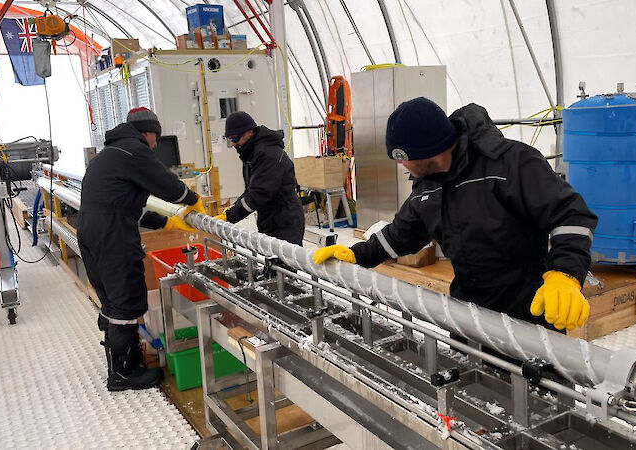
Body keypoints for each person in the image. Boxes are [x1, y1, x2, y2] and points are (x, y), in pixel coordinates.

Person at [314, 98, 598, 332]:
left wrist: (564, 275)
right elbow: (402, 234)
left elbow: (571, 215)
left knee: (537, 399)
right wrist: (357, 254)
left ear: (427, 151)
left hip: (529, 313)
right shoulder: (429, 186)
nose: (401, 166)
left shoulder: (510, 164)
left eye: (401, 158)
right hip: (468, 315)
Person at [78, 107, 206, 392]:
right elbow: (168, 186)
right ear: (148, 133)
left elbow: (123, 205)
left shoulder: (111, 154)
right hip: (112, 235)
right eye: (156, 138)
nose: (155, 144)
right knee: (125, 298)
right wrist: (192, 200)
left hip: (92, 229)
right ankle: (123, 373)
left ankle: (124, 362)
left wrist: (164, 222)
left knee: (111, 299)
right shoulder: (134, 151)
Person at [215, 111, 305, 245]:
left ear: (249, 132)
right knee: (272, 262)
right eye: (230, 140)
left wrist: (230, 216)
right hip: (270, 219)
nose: (233, 144)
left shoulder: (268, 155)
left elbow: (258, 194)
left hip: (285, 223)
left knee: (283, 264)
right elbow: (250, 191)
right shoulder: (251, 154)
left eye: (235, 138)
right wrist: (230, 210)